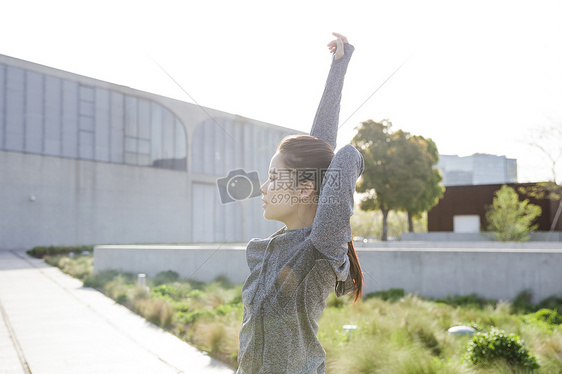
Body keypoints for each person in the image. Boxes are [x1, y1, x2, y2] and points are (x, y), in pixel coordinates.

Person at [236, 32, 364, 374]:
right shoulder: (269, 249)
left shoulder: (320, 247)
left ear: (306, 191)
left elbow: (345, 157)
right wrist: (338, 67)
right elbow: (319, 148)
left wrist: (330, 159)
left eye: (274, 179)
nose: (263, 188)